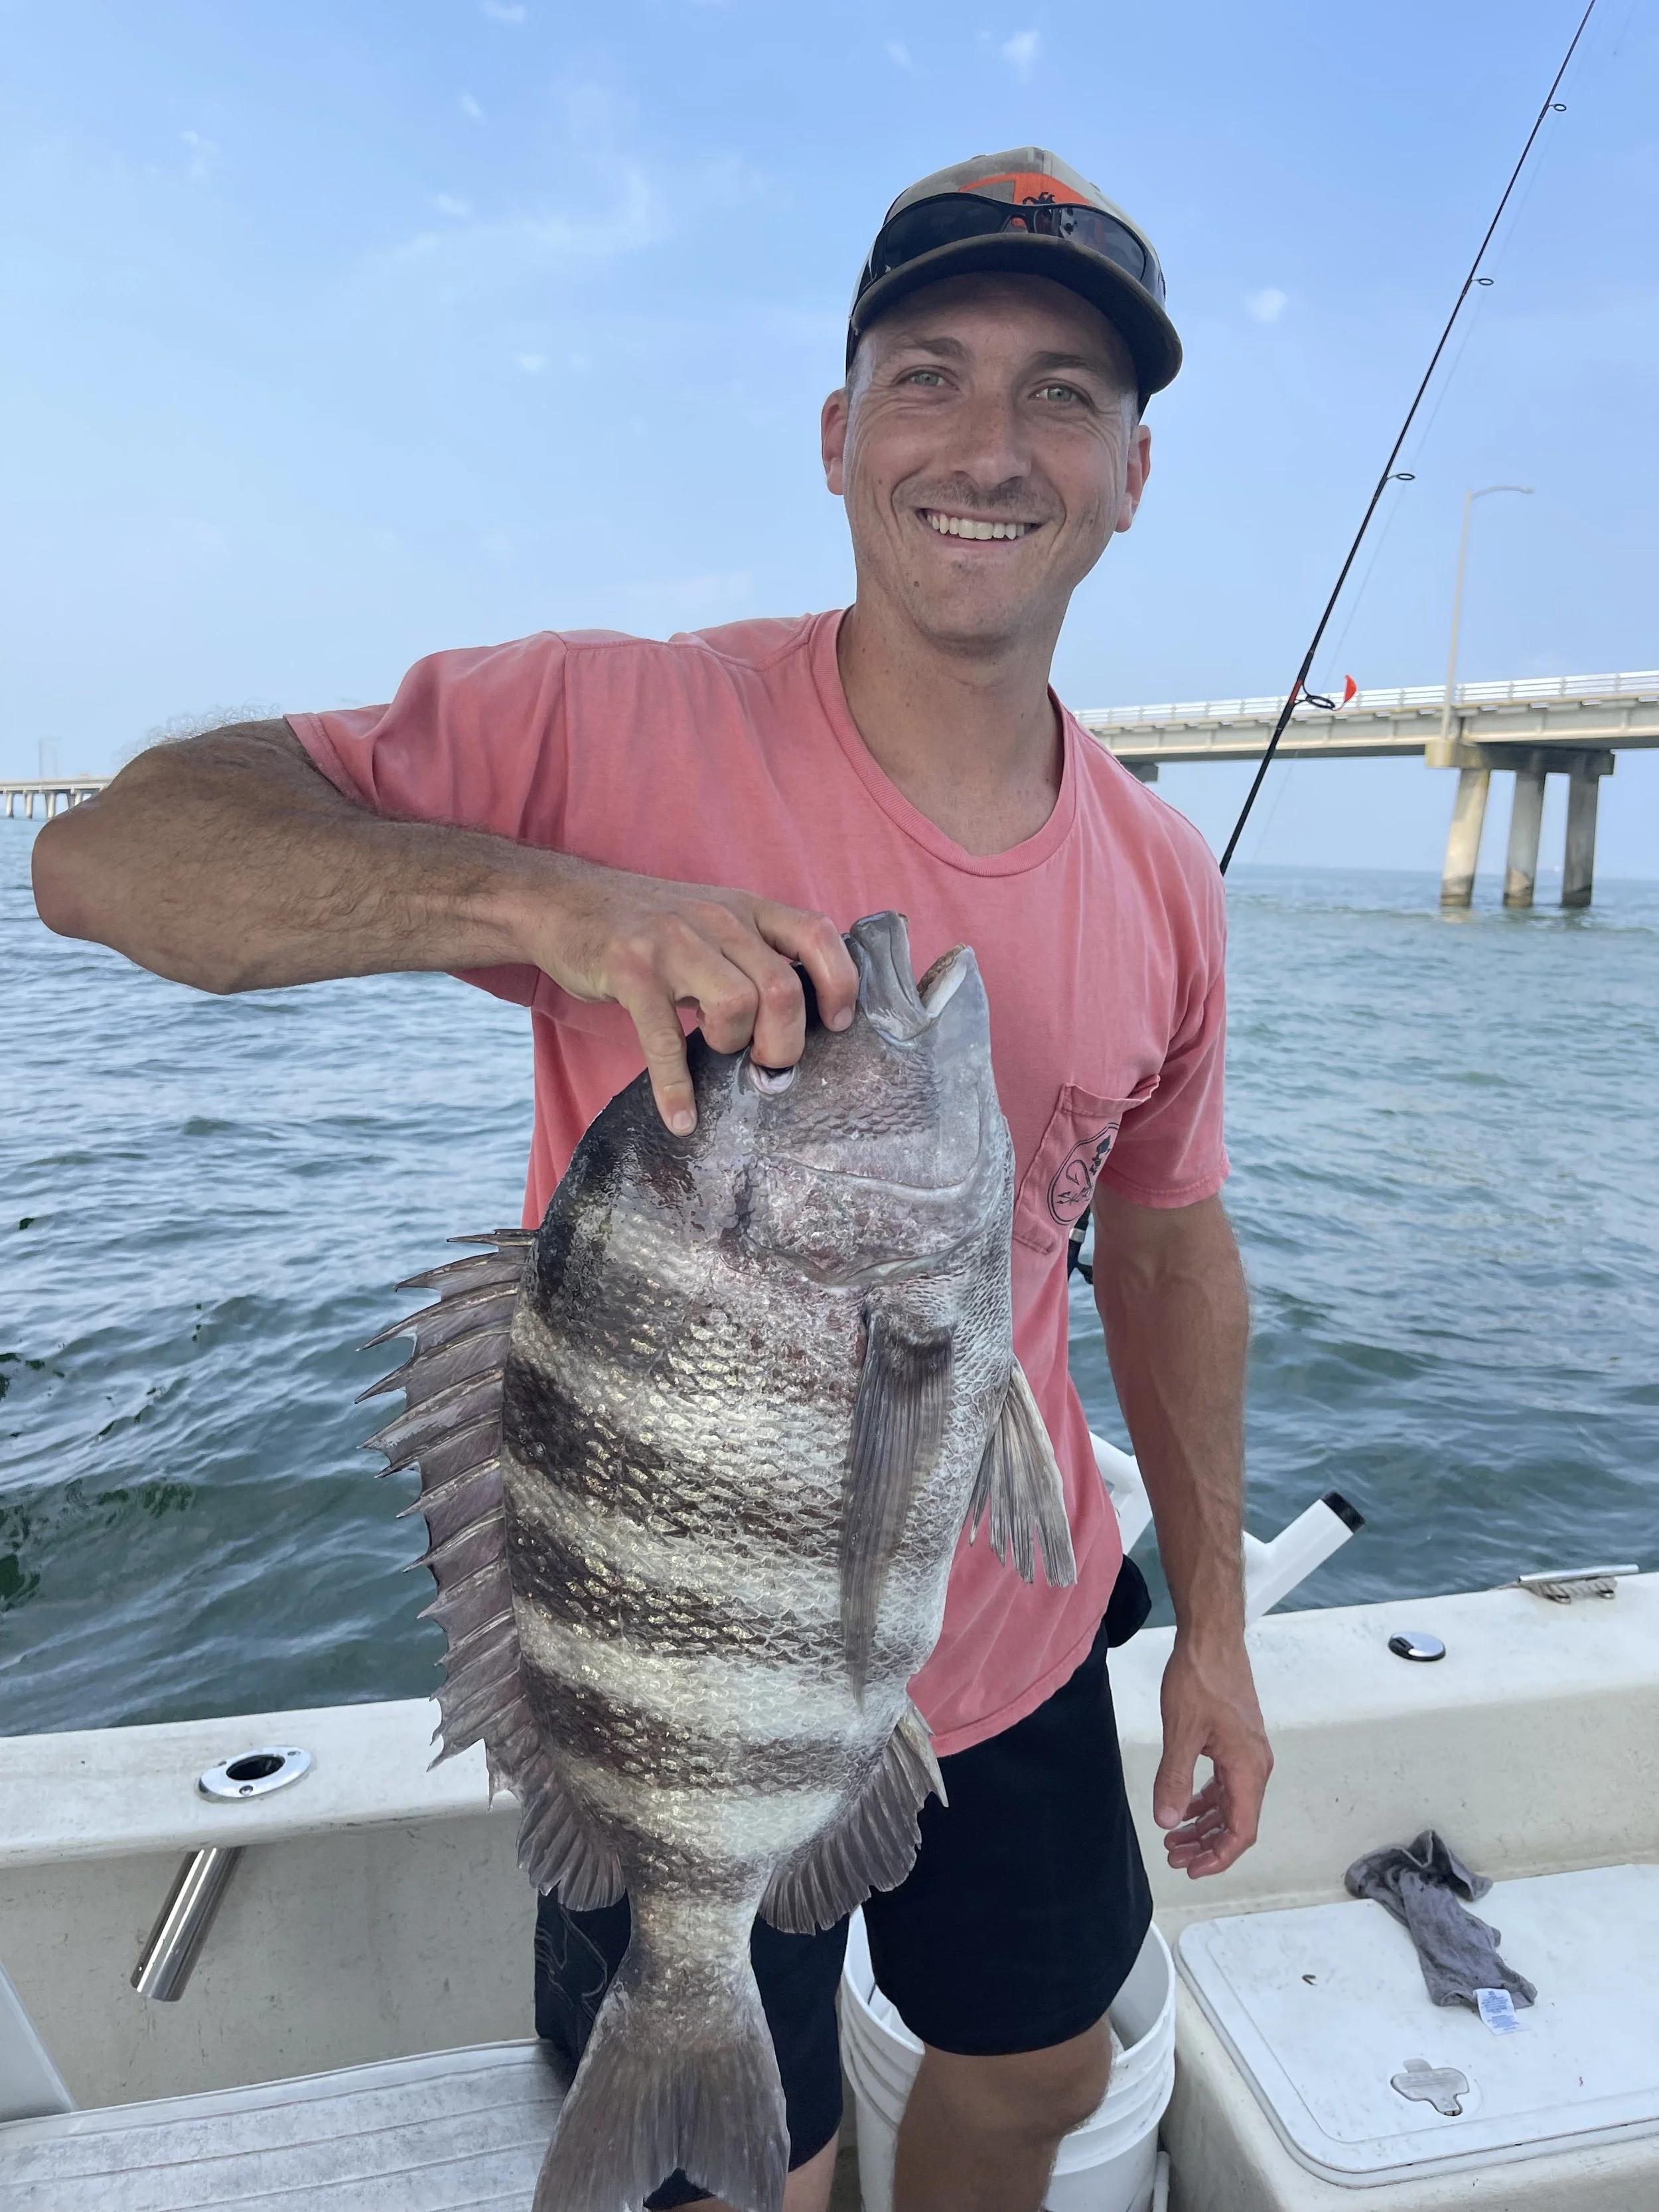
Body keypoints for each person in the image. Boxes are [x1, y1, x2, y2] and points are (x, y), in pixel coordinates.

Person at [34, 146, 1271, 2212]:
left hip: (1023, 1647)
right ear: (835, 433)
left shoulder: (1156, 869)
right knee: (744, 2175)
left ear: (1133, 470)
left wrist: (1214, 1630)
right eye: (928, 376)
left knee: (1045, 2063)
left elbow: (1161, 1248)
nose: (989, 443)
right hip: (678, 1689)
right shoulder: (613, 719)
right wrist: (553, 901)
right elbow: (112, 862)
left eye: (1062, 393)